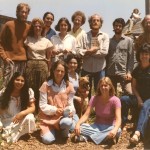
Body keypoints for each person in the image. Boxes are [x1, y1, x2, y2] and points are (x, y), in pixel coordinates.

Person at [38, 60, 79, 144]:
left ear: (65, 73)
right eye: (58, 70)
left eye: (62, 71)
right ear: (53, 71)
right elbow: (42, 105)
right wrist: (55, 110)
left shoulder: (69, 86)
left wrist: (70, 110)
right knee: (47, 140)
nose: (59, 73)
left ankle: (64, 132)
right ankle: (57, 130)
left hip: (63, 117)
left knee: (67, 122)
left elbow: (71, 105)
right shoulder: (46, 85)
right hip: (49, 118)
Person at [74, 77, 121, 145]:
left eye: (105, 85)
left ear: (110, 86)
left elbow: (118, 118)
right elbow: (86, 115)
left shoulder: (116, 100)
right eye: (101, 86)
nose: (103, 88)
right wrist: (78, 124)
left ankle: (87, 138)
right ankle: (105, 138)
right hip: (96, 126)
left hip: (110, 127)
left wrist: (115, 129)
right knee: (81, 127)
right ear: (99, 87)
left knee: (118, 130)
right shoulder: (94, 98)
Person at [120, 43, 150, 145]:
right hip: (139, 97)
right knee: (124, 99)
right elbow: (133, 86)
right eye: (142, 54)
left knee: (146, 106)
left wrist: (143, 101)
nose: (144, 56)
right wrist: (138, 98)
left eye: (146, 54)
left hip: (149, 99)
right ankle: (122, 124)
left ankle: (137, 133)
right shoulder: (137, 69)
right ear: (139, 55)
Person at [24, 18, 53, 113]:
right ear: (33, 27)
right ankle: (31, 109)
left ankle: (41, 111)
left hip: (42, 65)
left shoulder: (46, 41)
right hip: (30, 64)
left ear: (42, 28)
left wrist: (49, 70)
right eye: (35, 26)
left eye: (39, 26)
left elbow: (49, 58)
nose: (37, 28)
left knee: (42, 88)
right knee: (30, 87)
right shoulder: (28, 39)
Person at [78, 14, 109, 98]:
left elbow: (104, 52)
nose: (95, 22)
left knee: (100, 91)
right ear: (90, 23)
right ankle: (86, 109)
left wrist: (88, 53)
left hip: (100, 69)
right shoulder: (84, 36)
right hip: (86, 68)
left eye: (97, 20)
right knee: (85, 92)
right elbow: (79, 51)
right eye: (93, 20)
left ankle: (99, 110)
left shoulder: (105, 36)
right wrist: (90, 51)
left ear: (101, 23)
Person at [0, 72, 36, 143]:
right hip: (6, 120)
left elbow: (33, 107)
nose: (19, 82)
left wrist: (22, 113)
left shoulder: (28, 91)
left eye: (22, 81)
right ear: (13, 80)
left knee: (30, 118)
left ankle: (15, 134)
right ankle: (10, 132)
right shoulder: (4, 92)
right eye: (17, 80)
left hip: (19, 120)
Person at [0, 3, 31, 87]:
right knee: (6, 86)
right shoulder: (9, 25)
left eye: (26, 12)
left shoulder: (28, 27)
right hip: (10, 61)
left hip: (23, 62)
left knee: (19, 88)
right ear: (17, 12)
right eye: (22, 12)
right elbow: (1, 43)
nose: (24, 14)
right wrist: (5, 57)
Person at [106, 18, 134, 95]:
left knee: (129, 92)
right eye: (116, 26)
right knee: (111, 95)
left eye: (120, 26)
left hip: (123, 73)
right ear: (113, 27)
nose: (117, 27)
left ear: (123, 27)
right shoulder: (109, 41)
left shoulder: (128, 41)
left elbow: (131, 58)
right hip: (111, 72)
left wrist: (129, 72)